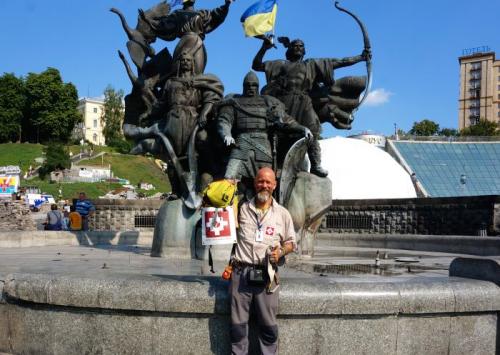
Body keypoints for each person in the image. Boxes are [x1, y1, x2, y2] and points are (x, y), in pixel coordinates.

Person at [252, 37, 370, 177]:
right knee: (279, 132)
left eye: (301, 46)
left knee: (312, 131)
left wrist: (361, 57)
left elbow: (339, 62)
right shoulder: (280, 64)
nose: (298, 48)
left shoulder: (312, 65)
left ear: (304, 50)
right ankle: (273, 164)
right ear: (289, 49)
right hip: (284, 102)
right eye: (295, 46)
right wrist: (264, 48)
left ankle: (315, 165)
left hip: (304, 102)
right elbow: (256, 65)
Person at [229, 167, 296, 354]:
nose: (264, 185)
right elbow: (221, 221)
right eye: (260, 181)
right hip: (240, 273)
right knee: (237, 327)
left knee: (268, 327)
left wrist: (281, 252)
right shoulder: (241, 209)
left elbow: (291, 242)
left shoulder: (283, 214)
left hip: (267, 275)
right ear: (254, 183)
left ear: (274, 185)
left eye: (268, 182)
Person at [217, 71, 312, 182]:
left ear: (258, 86)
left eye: (254, 85)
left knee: (266, 180)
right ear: (243, 86)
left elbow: (285, 120)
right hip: (241, 144)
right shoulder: (234, 102)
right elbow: (224, 121)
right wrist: (226, 134)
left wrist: (302, 128)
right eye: (248, 85)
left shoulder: (268, 102)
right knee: (229, 178)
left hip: (263, 146)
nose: (251, 87)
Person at [140, 0, 233, 75]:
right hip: (184, 45)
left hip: (198, 45)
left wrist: (226, 4)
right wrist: (148, 21)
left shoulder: (202, 14)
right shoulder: (177, 14)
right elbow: (163, 25)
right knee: (179, 74)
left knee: (198, 75)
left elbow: (217, 15)